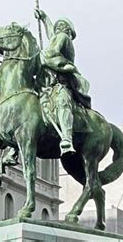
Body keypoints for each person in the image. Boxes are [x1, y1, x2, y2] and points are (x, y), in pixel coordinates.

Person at [35, 9, 91, 156]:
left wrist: (41, 57)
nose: (58, 27)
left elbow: (52, 50)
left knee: (62, 102)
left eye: (61, 25)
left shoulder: (64, 38)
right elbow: (51, 36)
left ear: (68, 30)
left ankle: (67, 138)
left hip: (62, 83)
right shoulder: (58, 38)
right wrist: (44, 17)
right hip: (48, 86)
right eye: (57, 25)